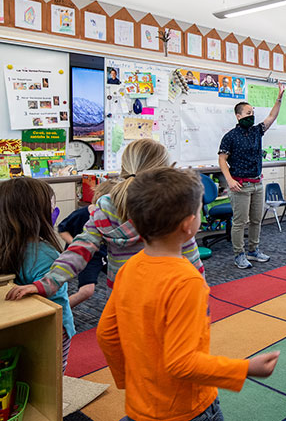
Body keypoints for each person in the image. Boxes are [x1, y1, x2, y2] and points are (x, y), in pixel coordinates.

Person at [96, 167, 280, 421]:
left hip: (140, 405)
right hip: (186, 409)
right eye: (198, 210)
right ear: (189, 224)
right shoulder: (185, 280)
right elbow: (182, 362)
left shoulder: (128, 269)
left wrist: (130, 381)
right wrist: (245, 368)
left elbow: (106, 333)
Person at [5, 139, 204, 301]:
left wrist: (46, 283)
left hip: (123, 295)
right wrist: (200, 292)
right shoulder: (171, 206)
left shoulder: (106, 206)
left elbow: (79, 249)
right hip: (169, 294)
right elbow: (191, 257)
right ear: (163, 170)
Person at [0, 178, 75, 372]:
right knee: (54, 375)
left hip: (19, 328)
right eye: (51, 206)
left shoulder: (6, 247)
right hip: (53, 328)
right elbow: (55, 296)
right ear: (35, 214)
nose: (54, 211)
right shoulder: (45, 253)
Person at [218, 88, 284, 269]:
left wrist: (279, 98)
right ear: (238, 116)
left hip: (257, 183)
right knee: (240, 222)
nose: (252, 116)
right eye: (248, 113)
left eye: (253, 113)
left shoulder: (256, 131)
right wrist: (229, 180)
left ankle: (253, 250)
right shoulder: (230, 136)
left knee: (256, 220)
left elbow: (271, 117)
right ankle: (239, 254)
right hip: (240, 185)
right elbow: (222, 159)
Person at [58, 179, 118, 308]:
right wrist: (76, 243)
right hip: (85, 256)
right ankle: (59, 313)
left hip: (101, 255)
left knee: (119, 281)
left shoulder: (110, 218)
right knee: (86, 291)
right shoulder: (81, 214)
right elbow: (62, 230)